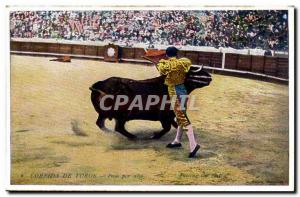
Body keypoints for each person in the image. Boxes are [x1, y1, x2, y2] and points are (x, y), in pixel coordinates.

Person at [156, 46, 200, 158]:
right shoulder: (184, 62)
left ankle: (193, 145)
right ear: (177, 54)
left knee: (181, 117)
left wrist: (159, 62)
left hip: (174, 92)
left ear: (167, 54)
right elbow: (185, 65)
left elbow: (162, 71)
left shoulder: (164, 64)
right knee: (181, 115)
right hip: (183, 90)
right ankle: (177, 140)